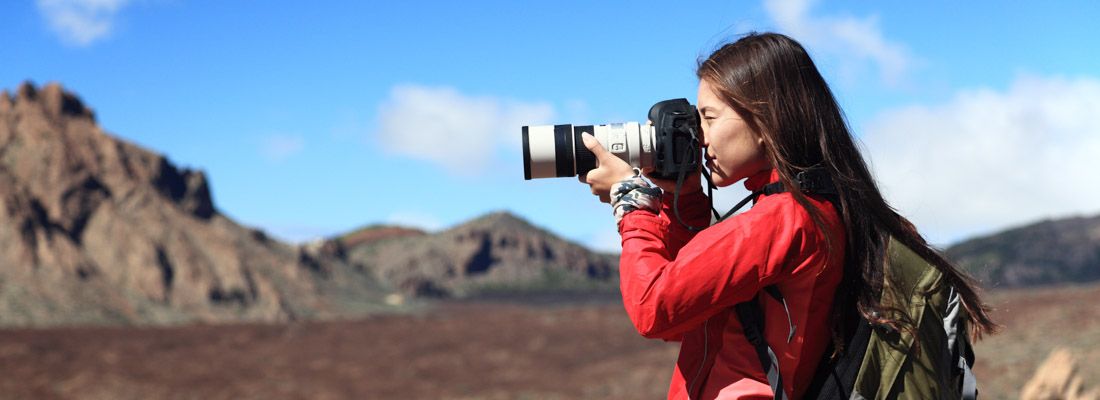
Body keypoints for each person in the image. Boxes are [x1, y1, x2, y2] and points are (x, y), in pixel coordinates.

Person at [579, 32, 996, 399]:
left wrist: (631, 201)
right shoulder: (823, 207)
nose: (699, 136)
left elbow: (654, 309)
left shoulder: (783, 219)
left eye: (708, 117)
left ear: (764, 119)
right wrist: (684, 198)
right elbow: (688, 313)